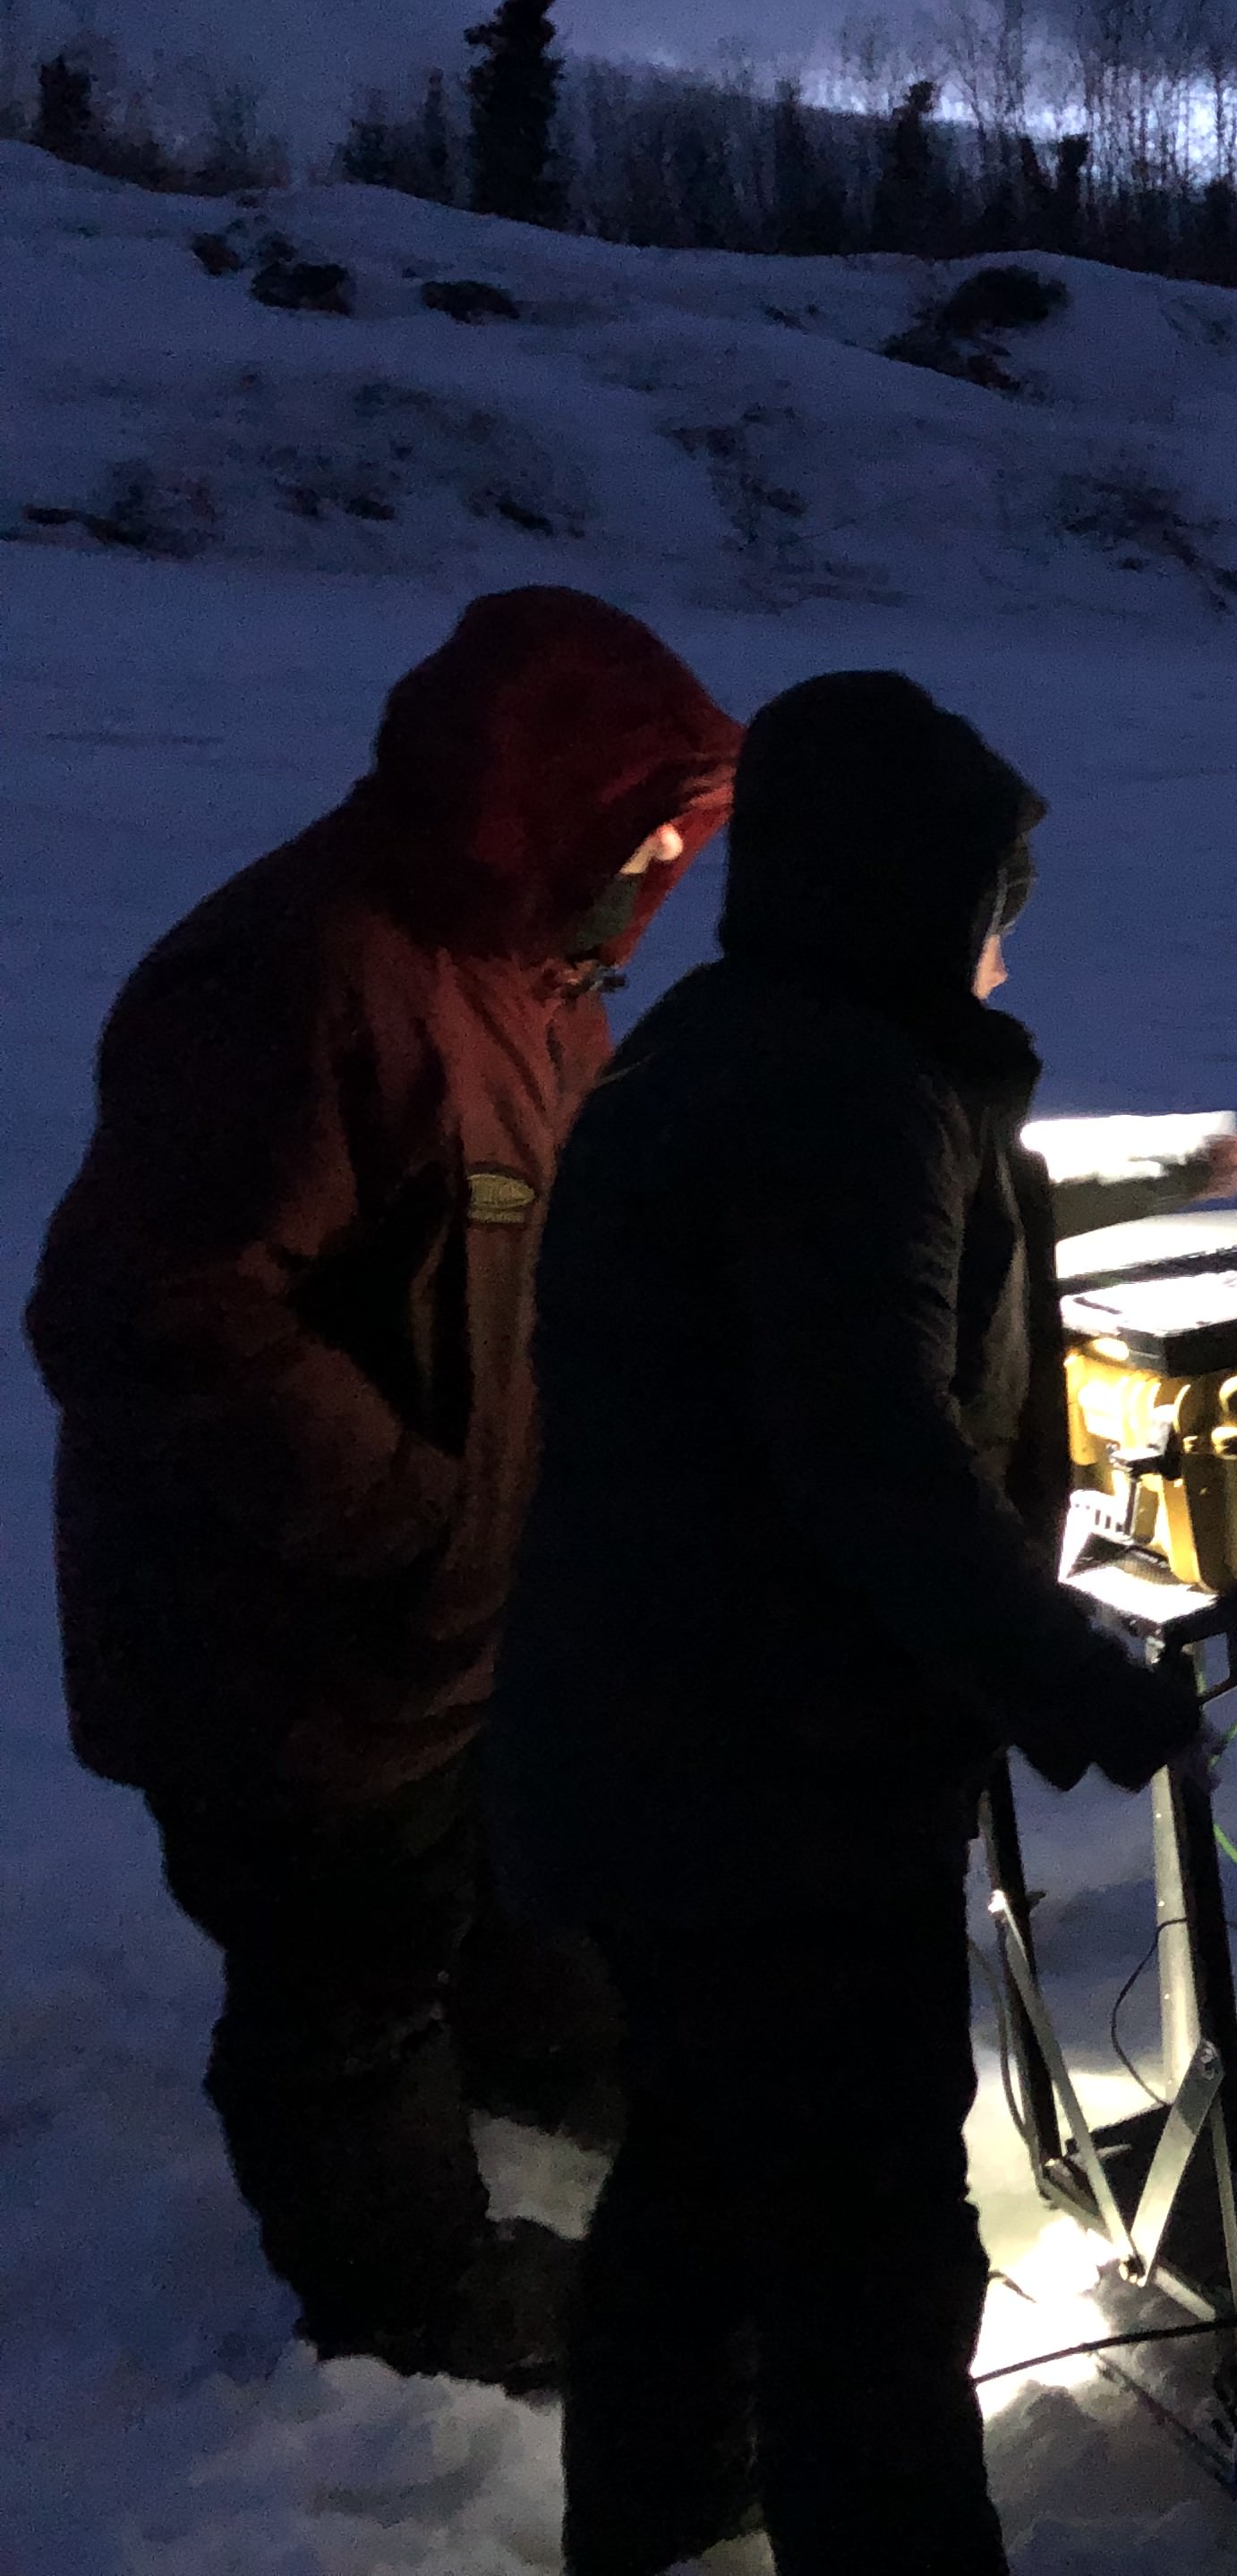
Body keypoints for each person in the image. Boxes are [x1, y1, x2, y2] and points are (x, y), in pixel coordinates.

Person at [489, 670, 1210, 2576]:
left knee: (708, 2174)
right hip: (766, 1782)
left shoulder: (751, 1042)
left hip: (663, 1745)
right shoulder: (841, 1096)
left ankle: (662, 2517)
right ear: (904, 890)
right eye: (989, 897)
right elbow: (870, 1457)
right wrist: (1079, 1682)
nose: (998, 943)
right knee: (871, 2244)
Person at [24, 586, 741, 2389]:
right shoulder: (299, 977)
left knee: (518, 1895)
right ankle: (409, 2304)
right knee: (338, 1984)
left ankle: (563, 2084)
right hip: (283, 1649)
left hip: (471, 1628)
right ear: (531, 795)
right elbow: (150, 1309)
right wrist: (421, 1522)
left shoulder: (533, 971)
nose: (668, 856)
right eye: (646, 816)